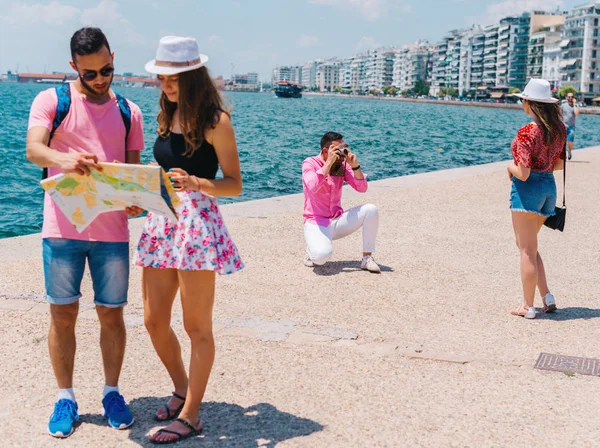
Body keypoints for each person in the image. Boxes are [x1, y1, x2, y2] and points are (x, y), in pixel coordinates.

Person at [25, 27, 145, 437]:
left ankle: (112, 392)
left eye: (107, 70)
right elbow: (33, 149)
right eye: (90, 73)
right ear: (73, 66)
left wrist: (136, 200)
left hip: (112, 232)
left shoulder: (130, 110)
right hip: (62, 228)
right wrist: (66, 157)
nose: (100, 79)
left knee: (112, 315)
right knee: (62, 315)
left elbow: (132, 174)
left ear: (114, 57)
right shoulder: (51, 100)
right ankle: (66, 397)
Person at [135, 36, 244, 444]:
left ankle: (192, 414)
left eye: (174, 78)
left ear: (193, 76)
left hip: (197, 226)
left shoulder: (216, 121)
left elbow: (234, 184)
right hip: (161, 222)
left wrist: (198, 182)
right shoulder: (168, 114)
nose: (166, 85)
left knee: (197, 326)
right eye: (162, 78)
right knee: (153, 320)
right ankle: (183, 389)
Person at [509, 79, 566, 319]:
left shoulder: (527, 131)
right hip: (548, 190)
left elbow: (522, 173)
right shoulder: (559, 129)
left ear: (531, 103)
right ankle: (547, 296)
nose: (522, 103)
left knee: (526, 250)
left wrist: (508, 167)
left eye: (523, 99)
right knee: (529, 248)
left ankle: (527, 306)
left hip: (527, 190)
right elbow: (560, 164)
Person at [302, 132, 380, 273]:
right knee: (320, 258)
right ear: (326, 150)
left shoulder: (342, 165)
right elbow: (312, 186)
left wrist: (355, 166)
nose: (341, 152)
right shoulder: (310, 163)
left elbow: (362, 188)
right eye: (338, 149)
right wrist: (329, 163)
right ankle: (311, 249)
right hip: (316, 222)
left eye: (344, 147)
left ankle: (367, 258)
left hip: (338, 220)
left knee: (371, 210)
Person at [561, 91, 579, 160]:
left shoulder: (575, 106)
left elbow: (576, 113)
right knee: (563, 142)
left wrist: (574, 104)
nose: (570, 98)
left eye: (572, 97)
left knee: (570, 142)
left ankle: (569, 151)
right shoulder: (563, 105)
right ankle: (563, 154)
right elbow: (559, 114)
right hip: (563, 127)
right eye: (569, 97)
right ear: (566, 98)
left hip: (571, 127)